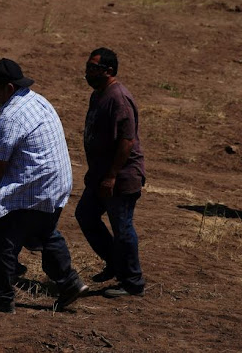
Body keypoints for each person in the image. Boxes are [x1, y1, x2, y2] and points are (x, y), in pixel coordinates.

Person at [0, 58, 88, 313]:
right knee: (45, 231)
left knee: (1, 234)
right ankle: (69, 283)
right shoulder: (37, 100)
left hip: (34, 186)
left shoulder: (10, 118)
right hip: (57, 183)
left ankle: (1, 298)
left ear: (9, 88)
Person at [75, 48, 146, 298]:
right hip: (101, 174)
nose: (88, 72)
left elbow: (127, 140)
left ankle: (133, 282)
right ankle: (116, 263)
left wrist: (112, 176)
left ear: (109, 71)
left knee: (123, 227)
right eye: (88, 66)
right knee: (85, 214)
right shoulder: (99, 95)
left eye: (93, 68)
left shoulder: (119, 98)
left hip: (121, 176)